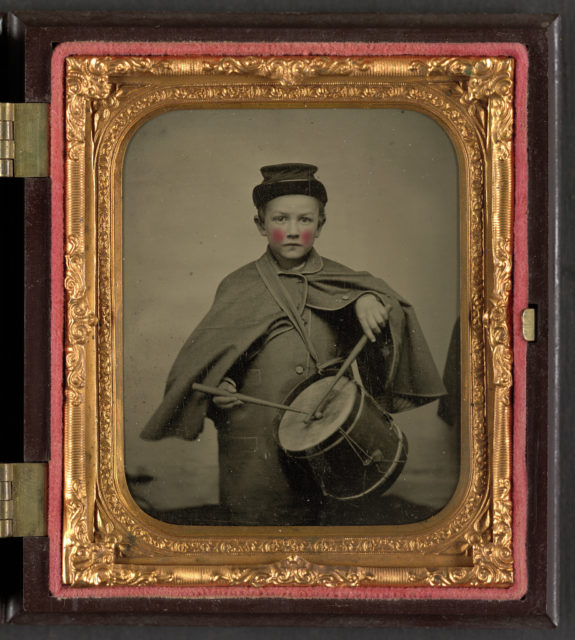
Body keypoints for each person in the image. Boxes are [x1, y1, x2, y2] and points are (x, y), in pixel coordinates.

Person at [141, 163, 445, 526]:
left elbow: (390, 306)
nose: (292, 232)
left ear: (321, 225)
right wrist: (222, 389)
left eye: (305, 220)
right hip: (252, 435)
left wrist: (368, 299)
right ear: (260, 224)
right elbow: (215, 361)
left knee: (314, 525)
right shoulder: (238, 286)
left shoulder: (343, 282)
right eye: (280, 219)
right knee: (252, 527)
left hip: (323, 434)